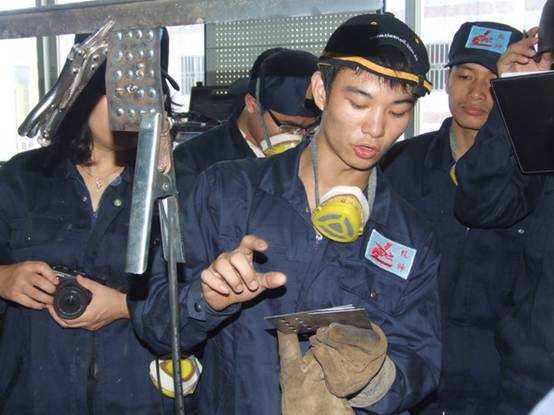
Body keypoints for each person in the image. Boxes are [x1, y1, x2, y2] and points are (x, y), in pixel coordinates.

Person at [131, 13, 441, 414]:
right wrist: (206, 300)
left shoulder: (409, 236)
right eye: (359, 103)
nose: (376, 128)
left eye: (398, 111)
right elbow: (154, 325)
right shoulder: (227, 192)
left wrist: (372, 380)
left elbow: (420, 363)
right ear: (321, 91)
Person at [0, 30, 176, 414]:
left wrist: (126, 306)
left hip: (137, 395)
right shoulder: (21, 179)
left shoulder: (174, 188)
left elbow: (197, 300)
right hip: (35, 393)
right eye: (119, 91)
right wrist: (4, 278)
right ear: (82, 93)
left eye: (145, 92)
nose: (132, 106)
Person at [381, 21, 523, 414]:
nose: (477, 93)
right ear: (447, 80)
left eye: (494, 81)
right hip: (413, 376)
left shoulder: (531, 178)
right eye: (465, 76)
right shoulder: (399, 165)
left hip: (501, 386)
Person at [452, 2, 554, 413]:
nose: (476, 93)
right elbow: (480, 206)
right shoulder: (542, 150)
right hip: (527, 385)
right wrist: (515, 95)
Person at [173, 47, 320, 197]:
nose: (299, 137)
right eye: (288, 126)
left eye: (309, 128)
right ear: (252, 105)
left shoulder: (314, 158)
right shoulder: (194, 161)